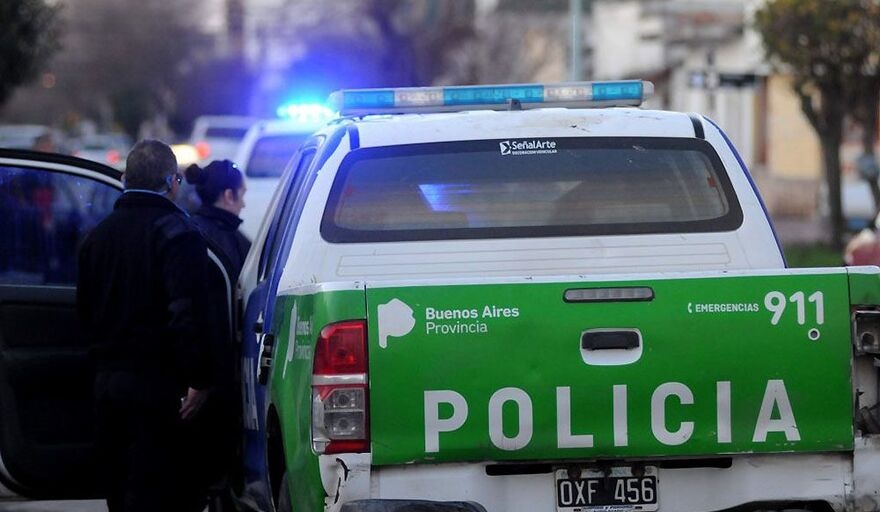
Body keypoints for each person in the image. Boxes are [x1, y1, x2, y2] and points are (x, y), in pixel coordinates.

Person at [77, 140, 214, 512]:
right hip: (156, 387)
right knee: (158, 491)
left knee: (119, 489)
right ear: (170, 182)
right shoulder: (178, 235)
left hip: (107, 385)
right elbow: (186, 314)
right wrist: (198, 379)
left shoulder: (96, 236)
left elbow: (85, 312)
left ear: (125, 179)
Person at [185, 159, 251, 280]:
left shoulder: (186, 230)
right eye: (242, 195)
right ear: (229, 196)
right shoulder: (233, 243)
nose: (243, 204)